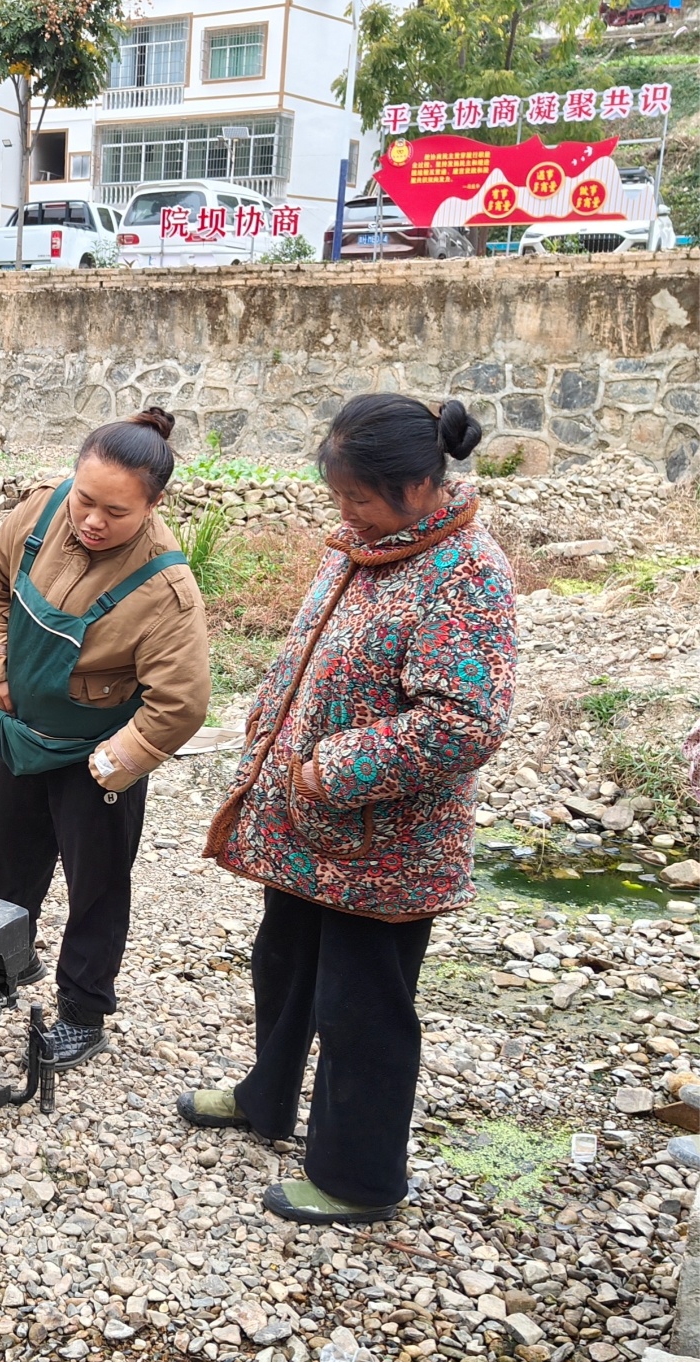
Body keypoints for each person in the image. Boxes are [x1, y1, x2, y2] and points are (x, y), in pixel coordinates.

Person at [191, 395, 516, 1225]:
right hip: (307, 830)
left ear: (419, 484)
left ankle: (358, 1176)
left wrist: (329, 768)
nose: (344, 512)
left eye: (358, 498)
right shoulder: (364, 548)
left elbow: (465, 722)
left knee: (362, 1007)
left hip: (386, 845)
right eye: (337, 495)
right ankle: (267, 1098)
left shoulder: (467, 571)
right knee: (285, 966)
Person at [0, 409, 211, 1070]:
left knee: (97, 887)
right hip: (23, 736)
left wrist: (112, 764)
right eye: (85, 500)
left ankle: (83, 1011)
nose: (93, 521)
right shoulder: (41, 513)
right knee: (2, 858)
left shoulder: (167, 589)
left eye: (116, 512)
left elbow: (182, 700)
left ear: (154, 506)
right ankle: (4, 967)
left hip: (94, 756)